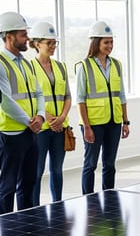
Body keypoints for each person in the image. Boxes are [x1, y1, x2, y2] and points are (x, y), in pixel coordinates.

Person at [0, 11, 45, 214]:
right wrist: (31, 121)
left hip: (31, 132)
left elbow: (38, 93)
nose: (27, 38)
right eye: (22, 34)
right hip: (10, 134)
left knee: (29, 183)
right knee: (8, 185)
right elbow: (5, 101)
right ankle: (5, 233)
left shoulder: (26, 63)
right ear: (9, 36)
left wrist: (41, 116)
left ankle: (27, 228)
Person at [76, 21, 130, 193]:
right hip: (93, 123)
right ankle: (88, 200)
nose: (110, 46)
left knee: (109, 164)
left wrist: (125, 121)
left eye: (111, 42)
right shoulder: (84, 66)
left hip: (114, 121)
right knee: (90, 164)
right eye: (106, 42)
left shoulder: (117, 65)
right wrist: (87, 127)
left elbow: (121, 95)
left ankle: (109, 197)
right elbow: (80, 99)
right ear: (96, 42)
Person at [28, 22, 71, 204]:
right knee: (36, 172)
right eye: (49, 43)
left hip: (60, 127)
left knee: (57, 170)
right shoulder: (29, 67)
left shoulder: (60, 67)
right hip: (41, 129)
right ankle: (34, 208)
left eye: (55, 43)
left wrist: (61, 118)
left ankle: (57, 204)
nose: (53, 47)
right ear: (37, 44)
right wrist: (48, 117)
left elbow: (67, 96)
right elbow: (31, 97)